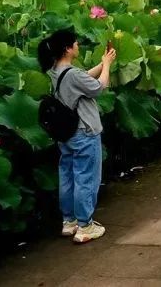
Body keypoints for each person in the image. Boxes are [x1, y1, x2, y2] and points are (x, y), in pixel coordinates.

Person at [37, 29, 116, 244]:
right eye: (75, 43)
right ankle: (85, 226)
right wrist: (107, 67)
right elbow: (99, 87)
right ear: (68, 48)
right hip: (84, 130)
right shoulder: (71, 74)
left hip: (66, 134)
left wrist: (103, 62)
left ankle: (69, 221)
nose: (78, 45)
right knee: (86, 178)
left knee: (68, 176)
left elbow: (82, 78)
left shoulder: (55, 70)